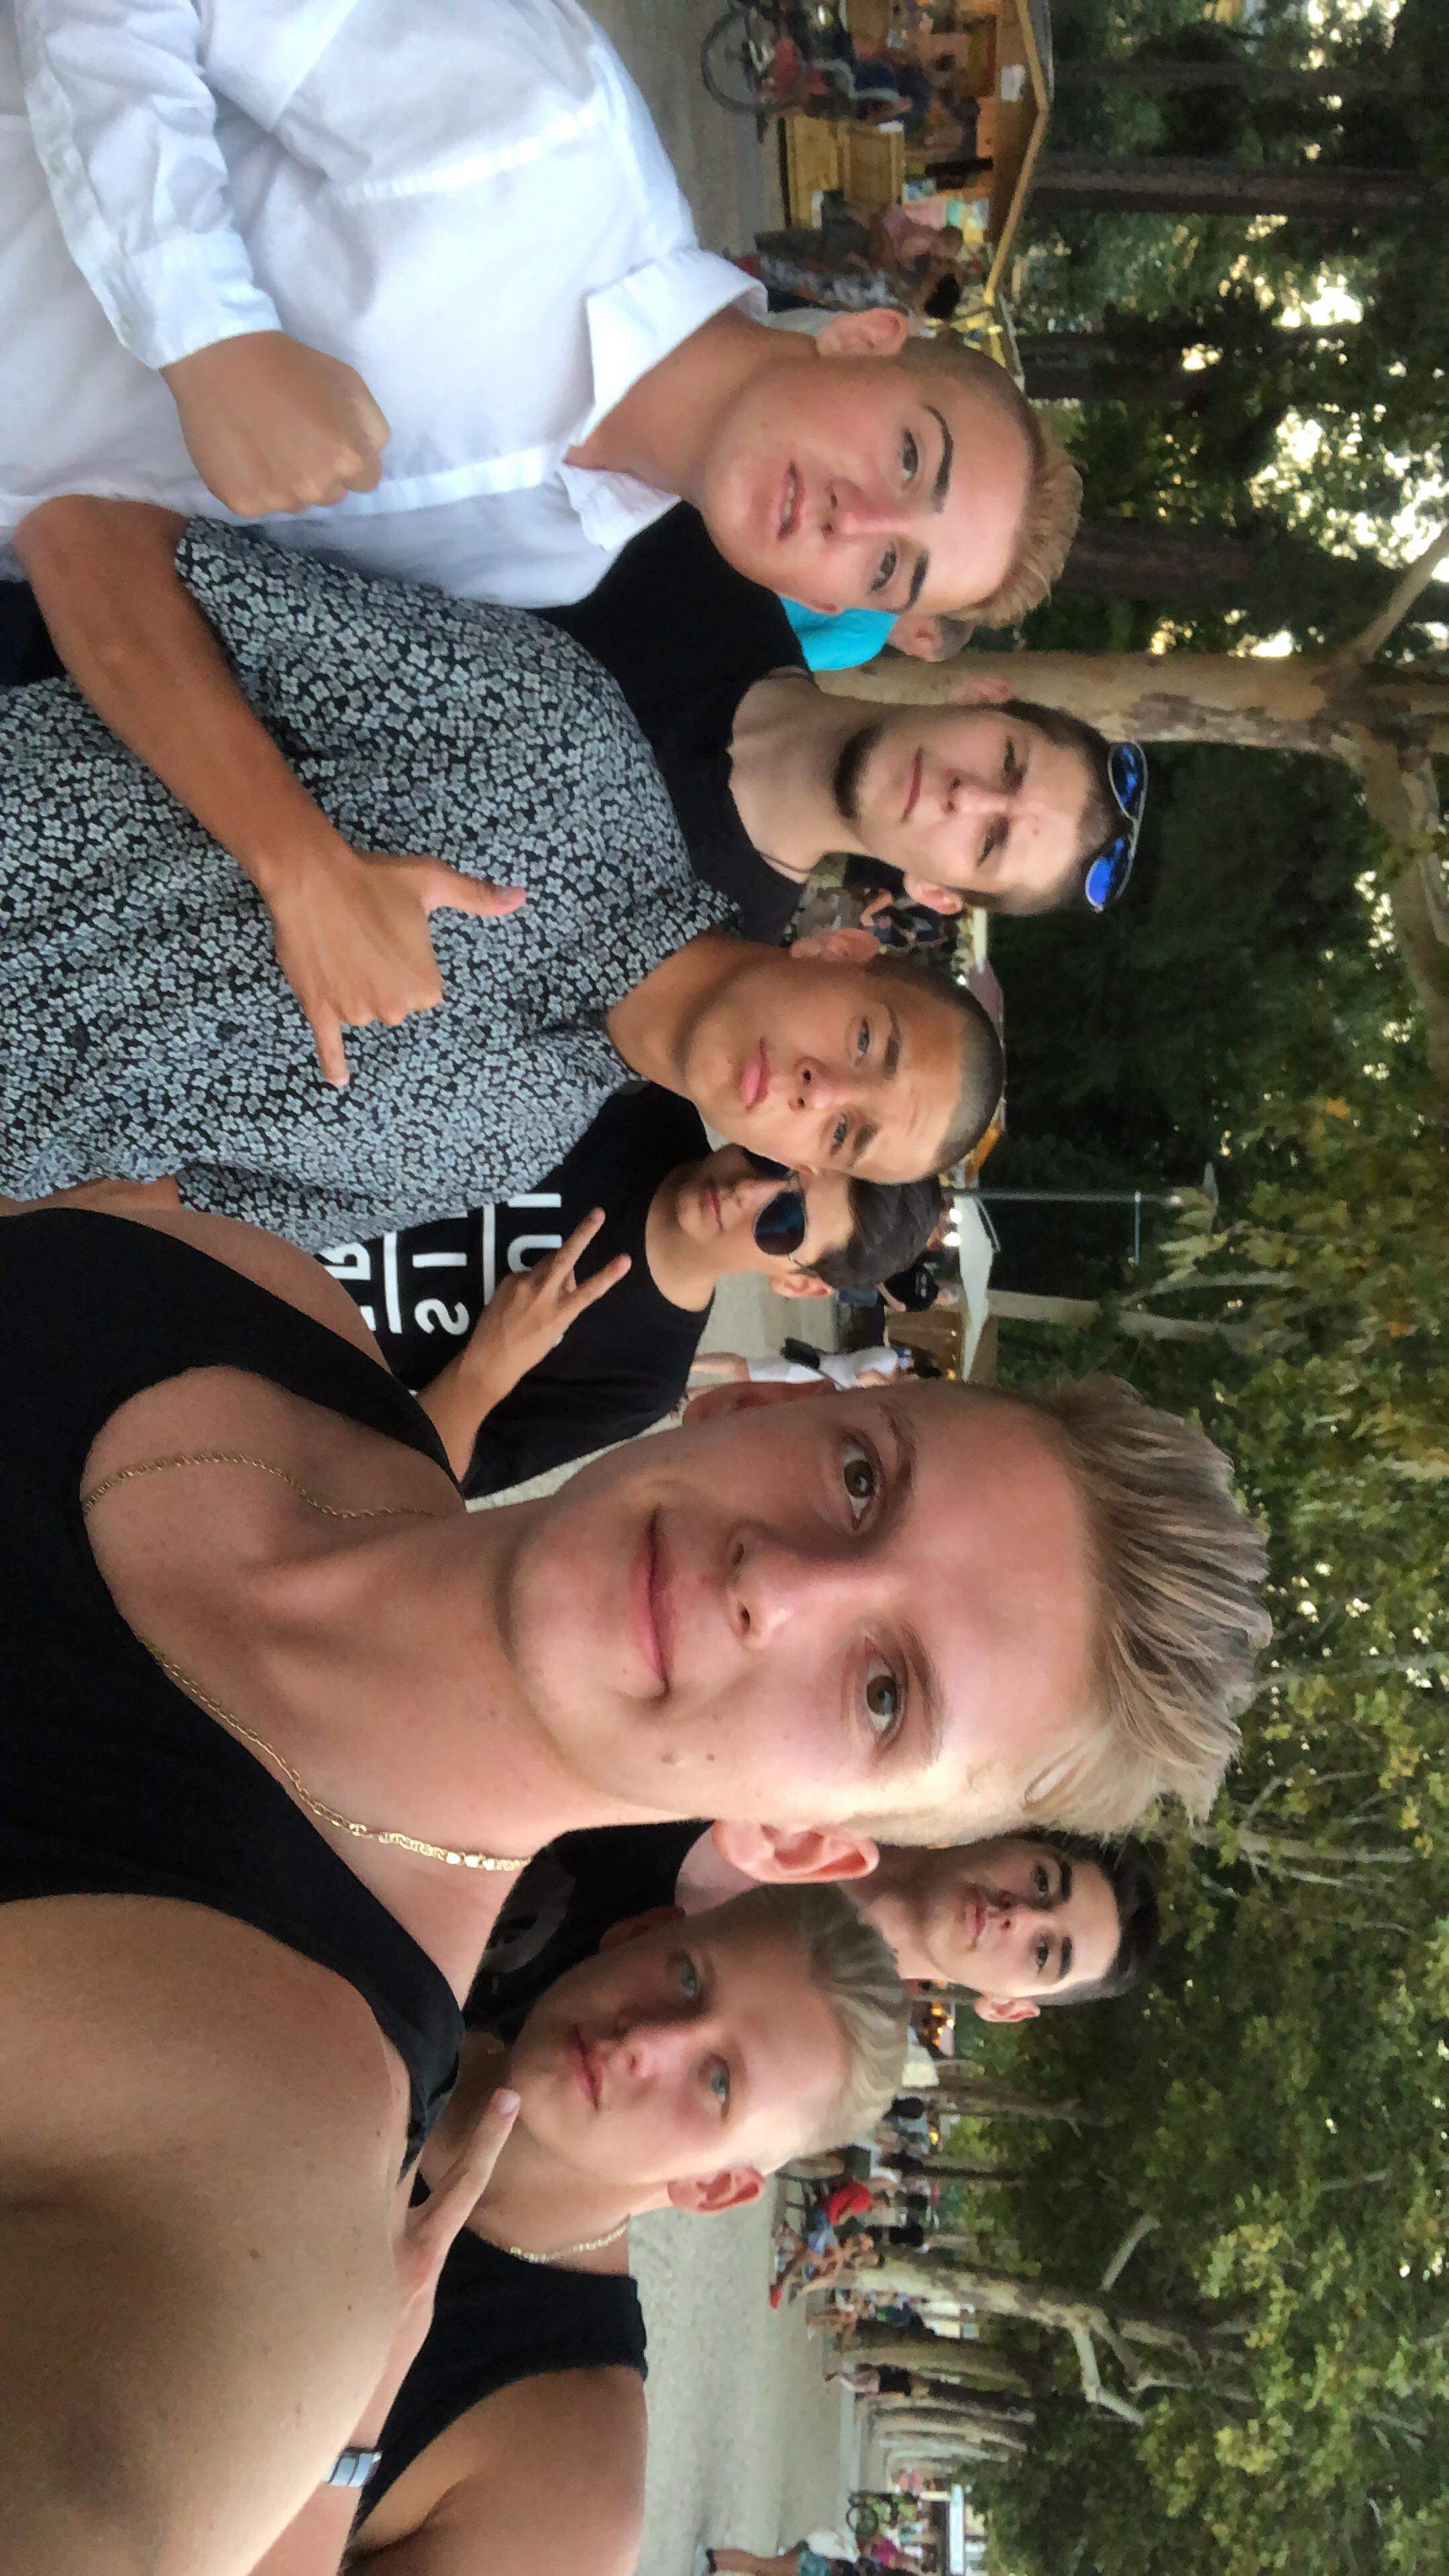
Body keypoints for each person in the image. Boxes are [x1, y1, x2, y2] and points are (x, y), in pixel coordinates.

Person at [0, 1168, 1268, 2568]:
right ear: (750, 1402)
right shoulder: (273, 1304)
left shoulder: (256, 2194)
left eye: (884, 1695)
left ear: (797, 1844)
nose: (778, 1586)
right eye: (861, 1481)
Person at [0, 515, 1004, 1236]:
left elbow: (118, 1211)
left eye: (845, 1132)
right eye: (866, 1041)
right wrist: (297, 861)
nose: (820, 1089)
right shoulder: (560, 743)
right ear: (839, 951)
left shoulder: (499, 1157)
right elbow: (96, 541)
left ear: (799, 1164)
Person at [3, 0, 1080, 623]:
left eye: (891, 572)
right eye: (909, 459)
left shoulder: (555, 567)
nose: (861, 521)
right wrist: (207, 333)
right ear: (865, 338)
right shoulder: (551, 137)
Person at [246, 1884, 908, 2576]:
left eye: (718, 2082)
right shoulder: (396, 1936)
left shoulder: (570, 2475)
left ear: (714, 2187)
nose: (645, 2041)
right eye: (688, 1978)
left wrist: (353, 2406)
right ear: (638, 1931)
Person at [547, 502, 1147, 942]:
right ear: (979, 696)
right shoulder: (708, 564)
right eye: (1008, 762)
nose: (968, 796)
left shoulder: (702, 947)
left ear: (936, 893)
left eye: (990, 842)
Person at [318, 1085, 944, 1493]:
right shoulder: (646, 1103)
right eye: (778, 1161)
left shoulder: (641, 1380)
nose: (745, 1192)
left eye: (785, 1222)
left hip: (278, 1317)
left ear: (798, 1283)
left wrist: (487, 1371)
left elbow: (422, 1486)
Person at [471, 1820, 1160, 2041]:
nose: (1021, 1915)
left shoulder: (792, 2056)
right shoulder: (791, 1792)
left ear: (1008, 2007)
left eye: (1043, 1953)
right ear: (1011, 1835)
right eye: (1042, 1880)